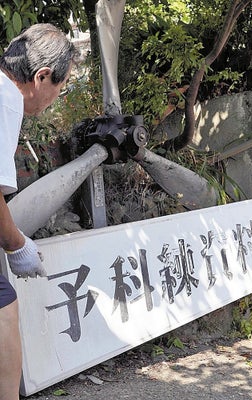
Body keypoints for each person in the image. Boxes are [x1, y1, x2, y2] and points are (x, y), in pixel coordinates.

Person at [0, 24, 78, 400]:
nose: (54, 100)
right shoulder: (6, 97)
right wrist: (17, 245)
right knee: (4, 305)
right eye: (57, 90)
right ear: (41, 77)